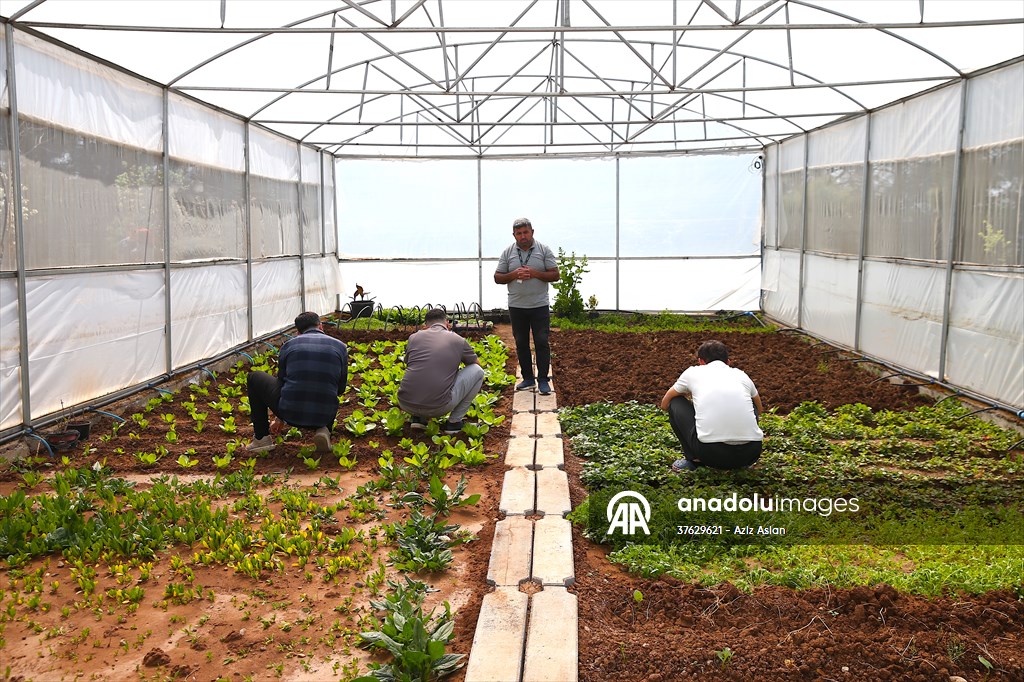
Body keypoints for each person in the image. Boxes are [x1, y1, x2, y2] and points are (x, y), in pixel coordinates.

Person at [247, 311, 348, 454]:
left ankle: (261, 439)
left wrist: (279, 418)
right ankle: (323, 429)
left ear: (298, 332)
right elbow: (341, 388)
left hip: (290, 413)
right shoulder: (340, 347)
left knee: (254, 377)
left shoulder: (288, 346)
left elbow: (281, 383)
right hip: (325, 415)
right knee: (327, 389)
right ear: (321, 326)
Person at [659, 340, 764, 471]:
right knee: (751, 401)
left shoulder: (693, 373)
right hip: (751, 453)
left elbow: (665, 403)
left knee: (675, 401)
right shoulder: (741, 375)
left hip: (711, 454)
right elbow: (759, 409)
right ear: (728, 362)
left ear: (700, 361)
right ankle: (742, 459)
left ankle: (694, 461)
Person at [493, 217, 560, 395]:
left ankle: (544, 380)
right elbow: (497, 277)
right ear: (514, 235)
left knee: (541, 341)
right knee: (521, 342)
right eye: (519, 233)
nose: (523, 236)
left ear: (532, 232)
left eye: (526, 232)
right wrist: (514, 274)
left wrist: (535, 273)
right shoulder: (508, 252)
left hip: (539, 305)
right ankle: (528, 379)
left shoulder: (543, 250)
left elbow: (555, 275)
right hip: (517, 306)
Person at [398, 308, 485, 434]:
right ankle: (455, 423)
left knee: (419, 369)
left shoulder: (413, 337)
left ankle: (418, 418)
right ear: (447, 324)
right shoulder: (457, 340)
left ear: (425, 326)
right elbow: (476, 364)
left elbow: (408, 362)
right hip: (438, 407)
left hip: (406, 404)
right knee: (477, 371)